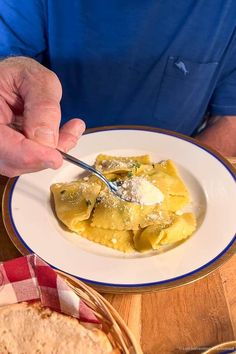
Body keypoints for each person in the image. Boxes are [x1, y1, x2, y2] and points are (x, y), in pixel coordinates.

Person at [0, 1, 236, 177]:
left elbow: (229, 120)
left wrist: (178, 182)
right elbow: (8, 63)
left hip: (181, 162)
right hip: (50, 163)